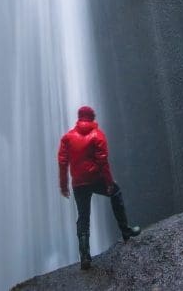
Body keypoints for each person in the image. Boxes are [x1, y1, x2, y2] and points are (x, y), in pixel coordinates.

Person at [57, 105, 141, 270]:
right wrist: (108, 183)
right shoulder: (98, 135)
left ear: (79, 118)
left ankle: (85, 256)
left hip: (78, 183)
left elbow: (62, 162)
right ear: (92, 118)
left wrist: (63, 185)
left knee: (83, 216)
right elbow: (103, 162)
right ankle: (125, 231)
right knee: (116, 192)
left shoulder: (67, 137)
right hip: (95, 179)